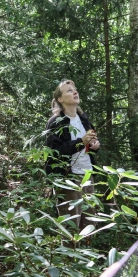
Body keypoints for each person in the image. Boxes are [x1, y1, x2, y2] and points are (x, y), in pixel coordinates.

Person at [45, 79, 100, 230]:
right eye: (69, 90)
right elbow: (55, 153)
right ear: (60, 99)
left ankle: (87, 253)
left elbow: (91, 142)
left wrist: (95, 145)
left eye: (75, 89)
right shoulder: (56, 122)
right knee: (71, 227)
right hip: (69, 178)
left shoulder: (83, 119)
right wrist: (80, 142)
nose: (75, 92)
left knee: (90, 224)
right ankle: (68, 254)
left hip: (88, 176)